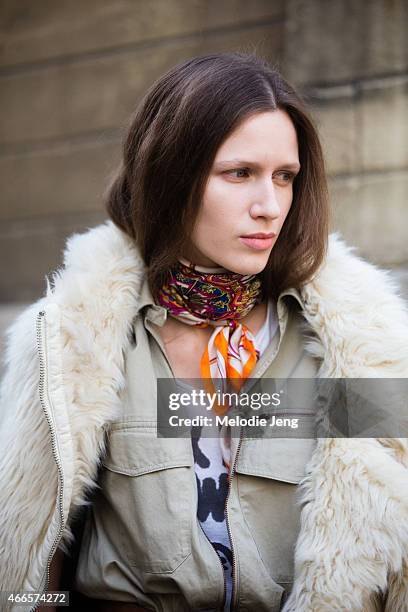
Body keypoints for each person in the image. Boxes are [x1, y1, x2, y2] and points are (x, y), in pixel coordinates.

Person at [0, 52, 407, 612]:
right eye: (240, 174)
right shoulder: (68, 341)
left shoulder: (363, 342)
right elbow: (26, 563)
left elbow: (398, 558)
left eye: (285, 177)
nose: (270, 206)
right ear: (171, 175)